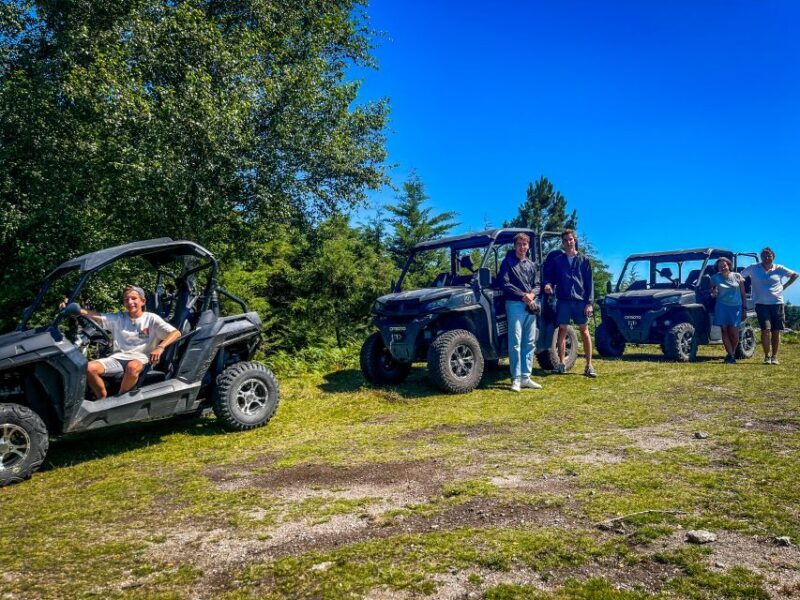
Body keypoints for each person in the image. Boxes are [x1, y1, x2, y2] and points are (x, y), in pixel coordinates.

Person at [78, 285, 181, 399]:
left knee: (132, 367)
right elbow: (97, 316)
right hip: (117, 358)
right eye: (126, 300)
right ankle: (101, 400)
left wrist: (160, 347)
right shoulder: (119, 318)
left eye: (133, 298)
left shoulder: (151, 319)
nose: (130, 302)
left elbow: (176, 333)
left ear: (142, 301)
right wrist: (77, 310)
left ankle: (120, 400)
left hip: (142, 359)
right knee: (89, 368)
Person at [543, 229, 597, 377]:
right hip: (563, 301)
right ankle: (561, 364)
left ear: (575, 240)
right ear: (562, 242)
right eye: (565, 240)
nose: (568, 242)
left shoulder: (584, 260)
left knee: (584, 331)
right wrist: (548, 285)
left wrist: (589, 303)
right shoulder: (558, 260)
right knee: (562, 330)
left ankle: (589, 366)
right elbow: (550, 277)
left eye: (571, 239)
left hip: (580, 301)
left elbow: (589, 283)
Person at [498, 233, 542, 392]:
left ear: (528, 246)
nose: (522, 247)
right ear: (514, 246)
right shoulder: (507, 263)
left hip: (531, 305)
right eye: (519, 244)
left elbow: (538, 285)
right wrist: (523, 296)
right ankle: (515, 379)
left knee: (529, 342)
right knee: (515, 342)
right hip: (515, 305)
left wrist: (531, 295)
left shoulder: (531, 265)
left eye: (525, 244)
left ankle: (526, 377)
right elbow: (505, 284)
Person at [740, 248, 798, 365]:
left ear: (773, 257)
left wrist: (784, 286)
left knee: (776, 331)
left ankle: (774, 356)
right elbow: (739, 277)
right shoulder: (753, 267)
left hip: (777, 303)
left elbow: (795, 275)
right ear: (761, 257)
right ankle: (767, 356)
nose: (767, 258)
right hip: (761, 304)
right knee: (765, 329)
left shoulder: (779, 268)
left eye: (769, 256)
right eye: (764, 256)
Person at [710, 257, 747, 364]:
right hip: (721, 306)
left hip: (736, 307)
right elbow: (712, 293)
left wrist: (744, 308)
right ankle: (731, 356)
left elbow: (743, 294)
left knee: (734, 334)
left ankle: (731, 353)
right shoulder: (714, 278)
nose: (722, 268)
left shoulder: (737, 276)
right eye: (720, 266)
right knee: (724, 330)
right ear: (717, 268)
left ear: (729, 265)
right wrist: (713, 293)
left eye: (724, 265)